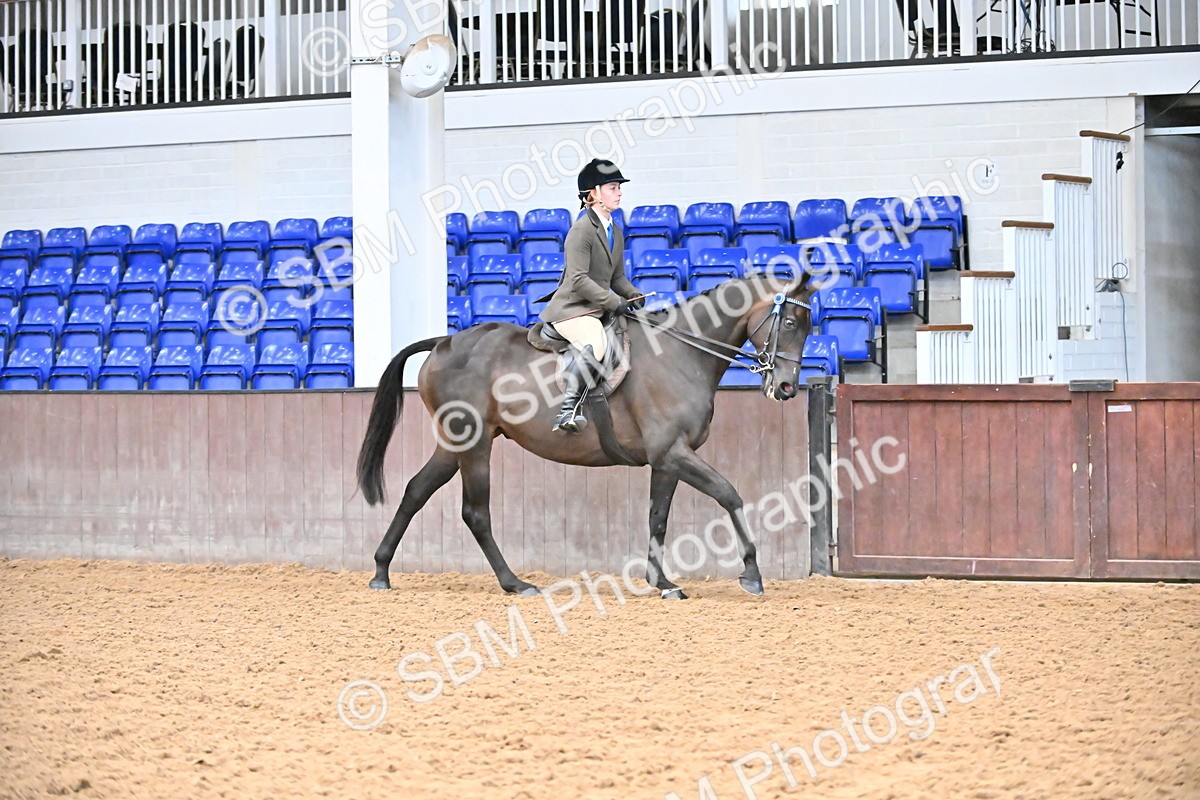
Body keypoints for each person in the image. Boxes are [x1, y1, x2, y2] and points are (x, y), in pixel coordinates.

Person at [538, 158, 642, 433]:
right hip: (572, 309)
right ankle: (567, 410)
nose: (619, 192)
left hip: (596, 308)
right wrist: (613, 302)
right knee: (596, 342)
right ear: (593, 193)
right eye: (612, 187)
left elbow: (617, 277)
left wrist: (632, 294)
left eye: (619, 187)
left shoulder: (615, 232)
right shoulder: (581, 231)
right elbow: (579, 280)